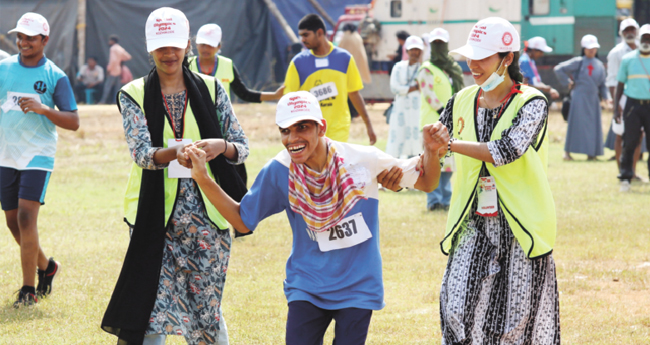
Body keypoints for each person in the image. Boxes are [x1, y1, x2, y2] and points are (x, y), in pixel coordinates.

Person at [185, 90, 447, 345]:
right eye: (285, 131)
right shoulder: (279, 170)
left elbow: (426, 182)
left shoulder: (361, 160)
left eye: (302, 127)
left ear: (321, 127)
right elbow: (242, 220)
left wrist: (432, 151)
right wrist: (203, 178)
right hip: (307, 285)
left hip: (358, 286)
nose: (292, 138)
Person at [101, 7, 248, 345]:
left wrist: (218, 146)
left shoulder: (213, 89)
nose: (168, 54)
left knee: (206, 310)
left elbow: (241, 148)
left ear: (187, 45)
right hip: (154, 218)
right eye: (160, 47)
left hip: (208, 219)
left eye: (175, 46)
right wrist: (175, 153)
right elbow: (142, 154)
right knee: (150, 309)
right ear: (150, 48)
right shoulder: (133, 93)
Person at [437, 17, 560, 344]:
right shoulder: (461, 100)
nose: (472, 64)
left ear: (507, 58)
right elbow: (434, 148)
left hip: (521, 223)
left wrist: (448, 145)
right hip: (473, 220)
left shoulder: (532, 102)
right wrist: (423, 152)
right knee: (456, 305)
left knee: (515, 321)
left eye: (482, 57)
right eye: (469, 56)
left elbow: (506, 150)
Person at [0, 12, 79, 308]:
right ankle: (47, 266)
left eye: (30, 38)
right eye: (20, 37)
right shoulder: (3, 68)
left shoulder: (55, 76)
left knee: (24, 217)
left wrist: (43, 108)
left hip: (37, 155)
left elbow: (73, 121)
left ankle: (28, 290)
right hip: (6, 154)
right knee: (11, 223)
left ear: (45, 40)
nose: (23, 42)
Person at [284, 14, 376, 145]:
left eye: (306, 35)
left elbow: (354, 94)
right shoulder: (297, 63)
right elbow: (289, 99)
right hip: (309, 131)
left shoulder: (345, 59)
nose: (302, 40)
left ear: (320, 33)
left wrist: (369, 125)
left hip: (339, 128)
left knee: (334, 164)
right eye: (301, 36)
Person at [417, 27, 465, 211]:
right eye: (435, 43)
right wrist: (445, 112)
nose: (438, 47)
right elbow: (429, 94)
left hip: (451, 121)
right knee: (433, 162)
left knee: (448, 161)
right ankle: (434, 201)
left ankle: (446, 199)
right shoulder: (426, 69)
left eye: (441, 44)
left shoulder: (452, 68)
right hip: (433, 122)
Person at [188, 23, 284, 102]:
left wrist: (275, 95)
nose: (206, 49)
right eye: (203, 44)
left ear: (218, 47)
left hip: (221, 119)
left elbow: (244, 93)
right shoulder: (187, 64)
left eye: (210, 45)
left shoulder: (227, 65)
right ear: (196, 44)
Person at [554, 34, 610, 161]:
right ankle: (567, 153)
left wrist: (607, 98)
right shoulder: (578, 62)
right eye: (589, 47)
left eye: (594, 48)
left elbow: (602, 85)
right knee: (575, 124)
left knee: (593, 125)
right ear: (584, 48)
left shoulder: (599, 65)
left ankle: (592, 153)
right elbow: (559, 69)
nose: (592, 50)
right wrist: (567, 82)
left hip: (593, 99)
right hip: (579, 97)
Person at [605, 18, 644, 174]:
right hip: (623, 99)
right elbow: (612, 80)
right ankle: (622, 172)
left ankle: (632, 172)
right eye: (626, 30)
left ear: (637, 32)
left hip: (640, 99)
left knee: (638, 136)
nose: (629, 33)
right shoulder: (616, 53)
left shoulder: (643, 50)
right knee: (621, 136)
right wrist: (617, 104)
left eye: (632, 30)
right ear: (621, 33)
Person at [614, 24, 650, 192]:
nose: (646, 41)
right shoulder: (628, 59)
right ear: (639, 39)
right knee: (630, 142)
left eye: (649, 38)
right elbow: (620, 85)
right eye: (644, 38)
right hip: (632, 106)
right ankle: (626, 178)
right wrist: (615, 109)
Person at [387, 35, 423, 159]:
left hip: (418, 110)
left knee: (417, 143)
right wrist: (414, 88)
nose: (414, 52)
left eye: (417, 49)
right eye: (412, 49)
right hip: (401, 110)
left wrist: (406, 89)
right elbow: (394, 88)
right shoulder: (398, 67)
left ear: (421, 51)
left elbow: (424, 88)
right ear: (407, 51)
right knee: (399, 139)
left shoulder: (424, 68)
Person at [98, 34, 132, 104]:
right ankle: (115, 101)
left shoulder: (113, 49)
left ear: (113, 41)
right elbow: (128, 57)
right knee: (117, 87)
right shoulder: (120, 48)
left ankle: (103, 101)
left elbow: (112, 60)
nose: (109, 42)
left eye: (110, 41)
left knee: (108, 86)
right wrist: (120, 60)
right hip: (119, 69)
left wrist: (109, 69)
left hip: (113, 70)